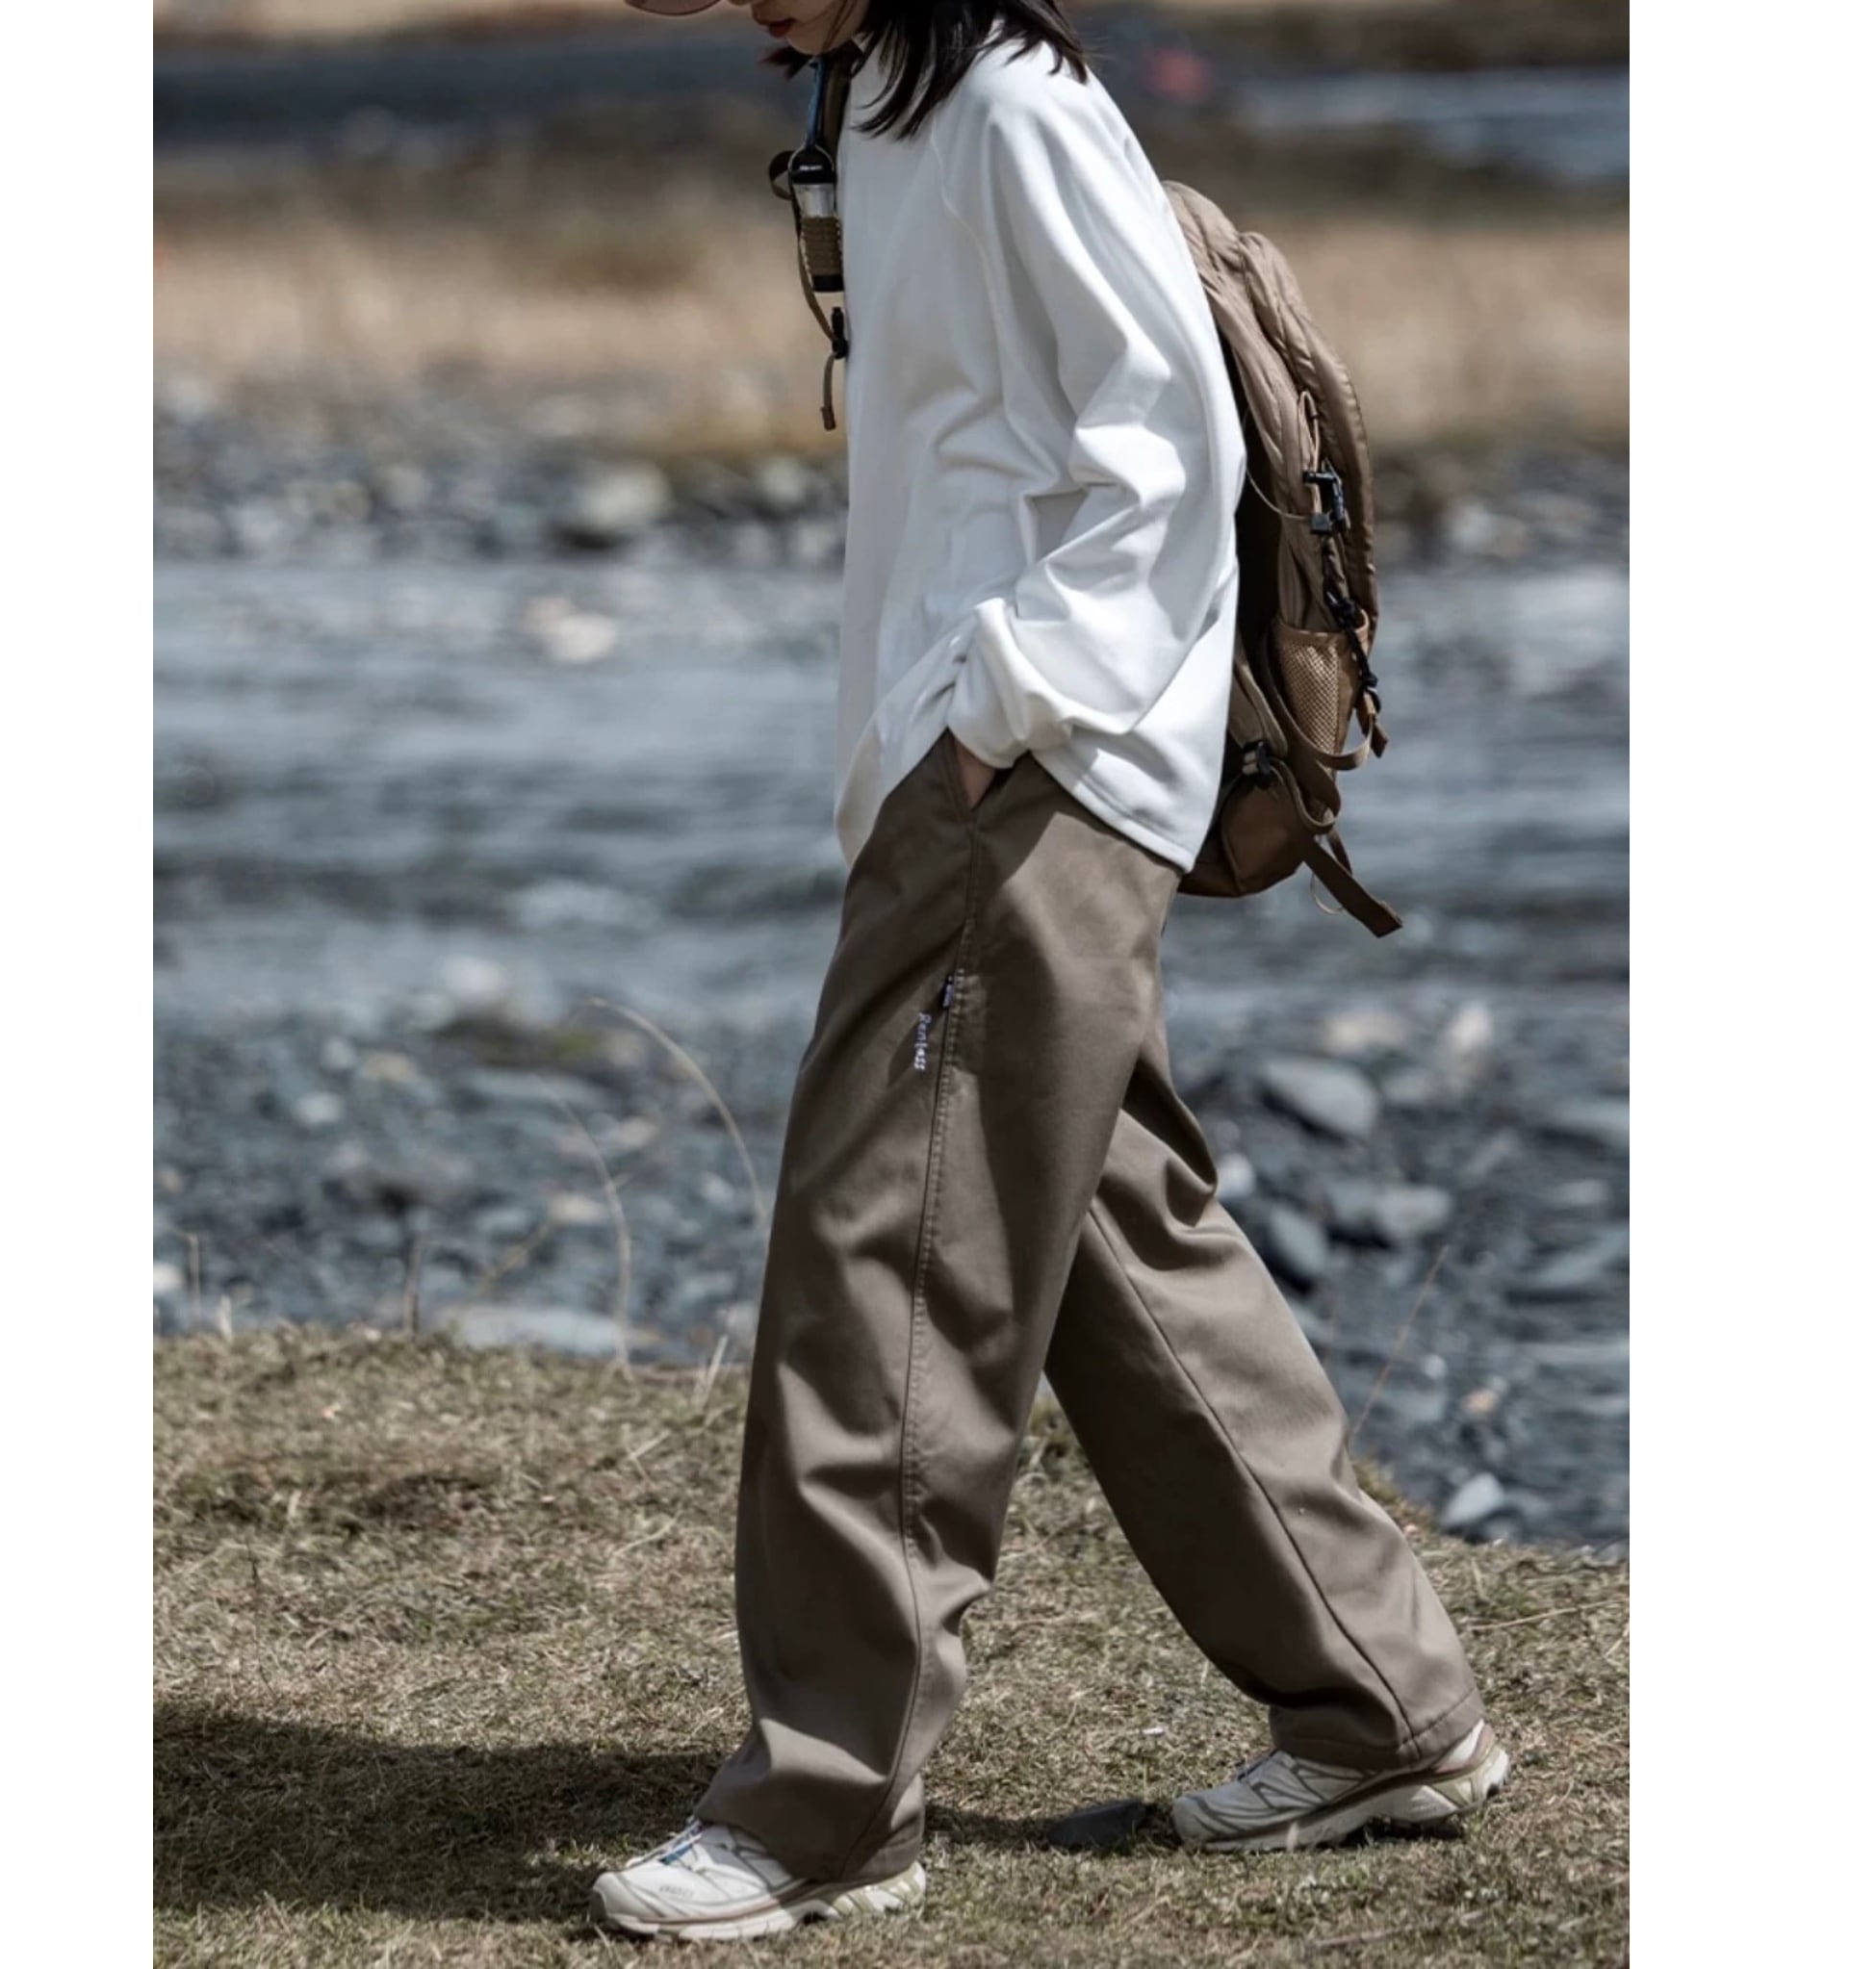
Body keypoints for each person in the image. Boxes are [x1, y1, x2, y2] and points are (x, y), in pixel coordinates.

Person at [592, 0, 1505, 1940]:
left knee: (881, 1258)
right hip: (988, 763)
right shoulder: (886, 99)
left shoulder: (1012, 110)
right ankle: (1387, 1707)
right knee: (1113, 1240)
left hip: (1029, 774)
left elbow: (1162, 443)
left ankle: (831, 1803)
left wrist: (998, 713)